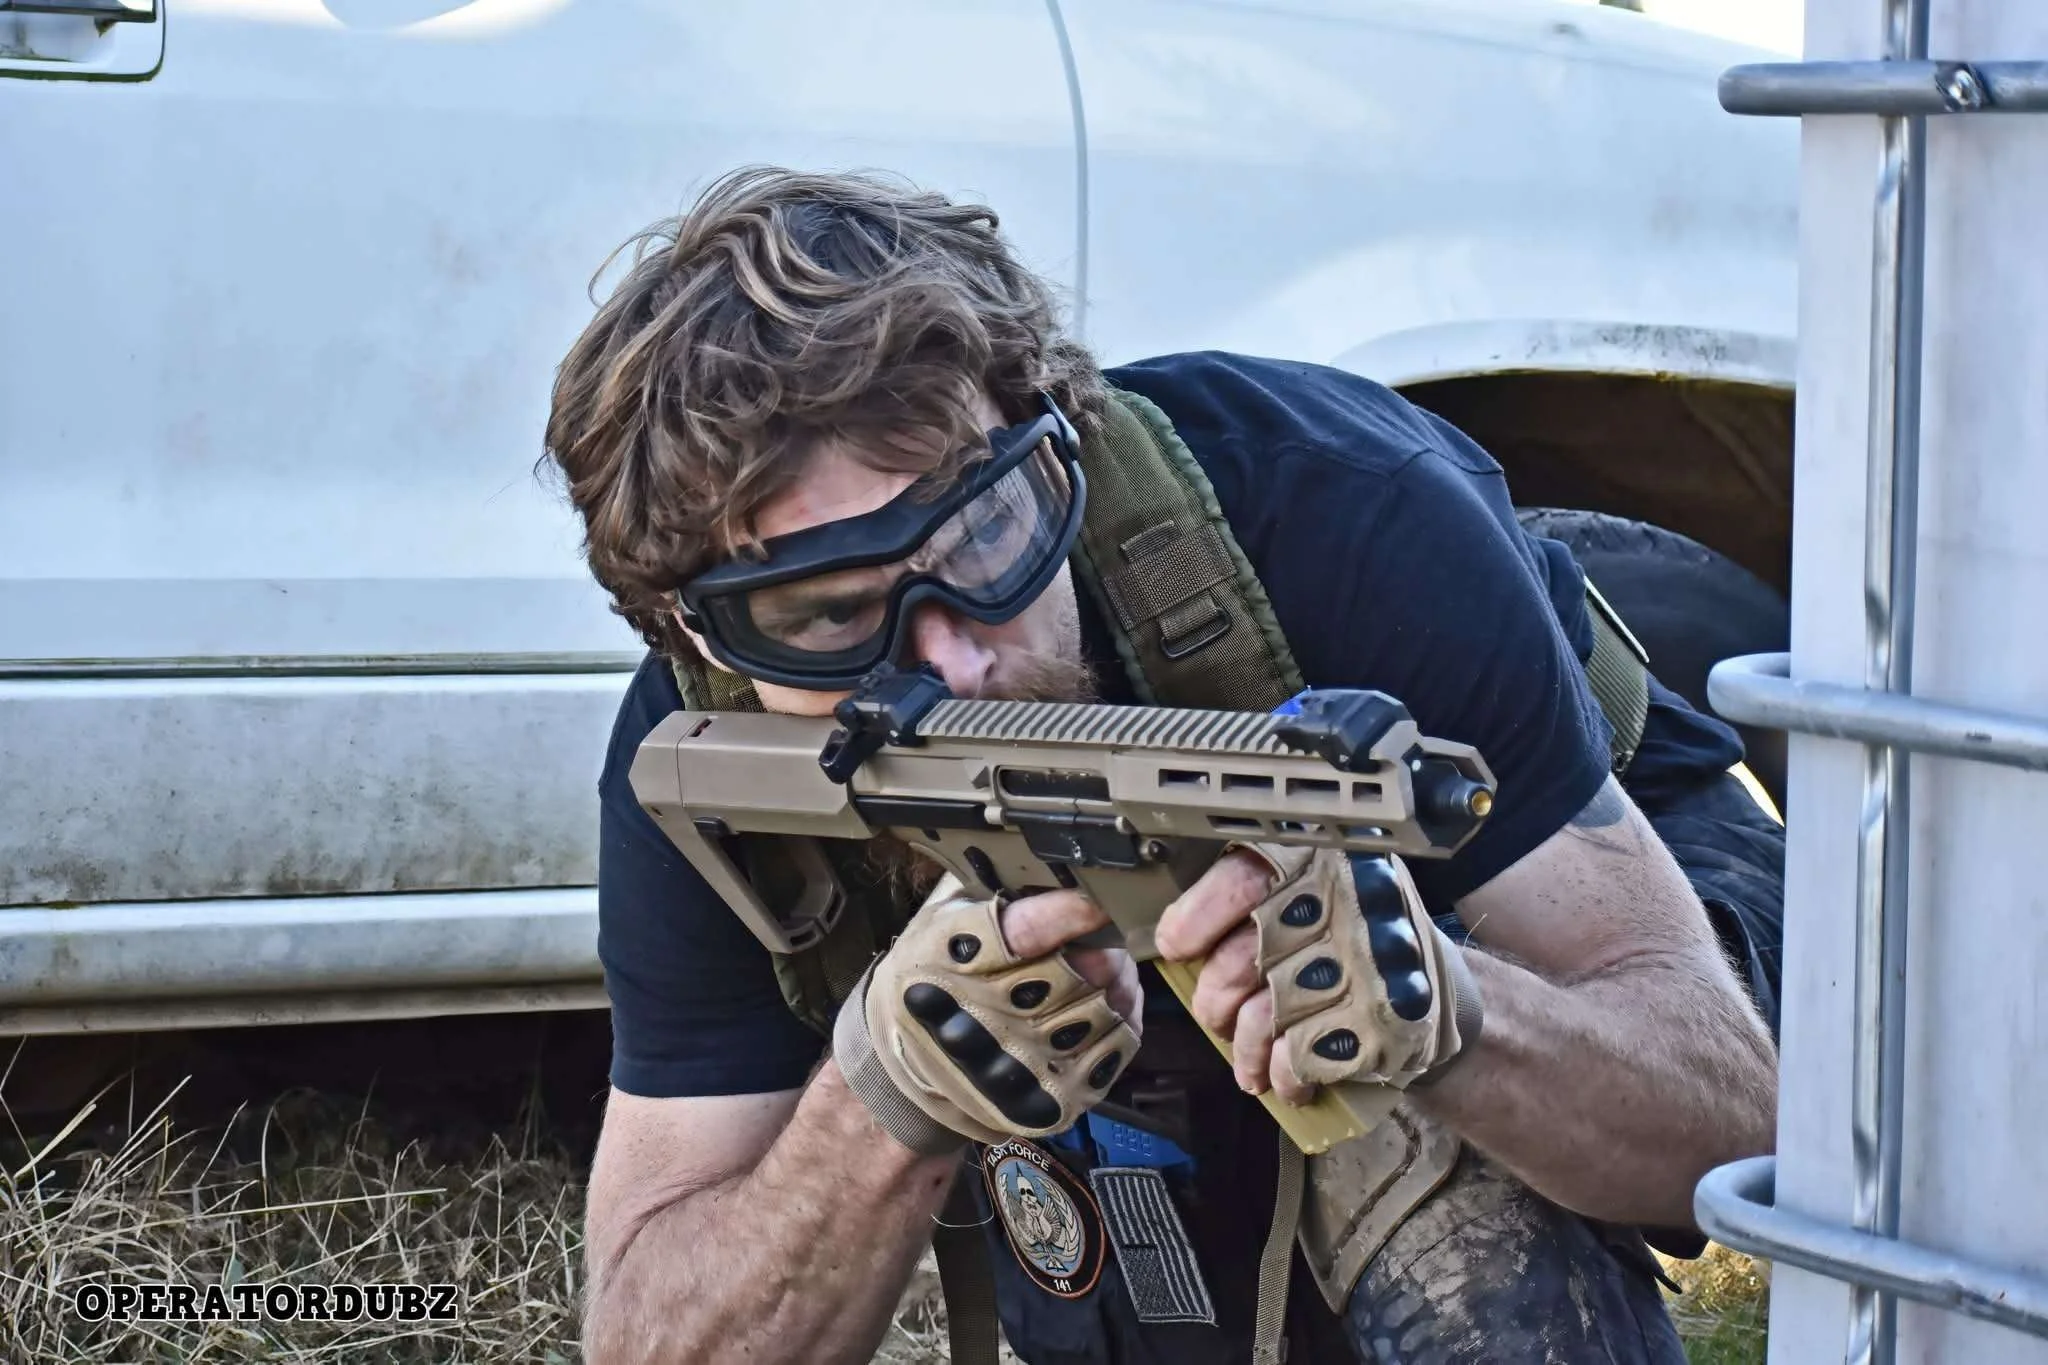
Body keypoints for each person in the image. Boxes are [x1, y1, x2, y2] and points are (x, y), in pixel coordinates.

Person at [541, 165, 1787, 1365]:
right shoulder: (709, 757)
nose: (954, 665)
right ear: (695, 631)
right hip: (1169, 1022)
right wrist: (893, 1087)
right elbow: (653, 1333)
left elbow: (1736, 1120)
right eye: (822, 618)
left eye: (984, 537)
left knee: (1432, 1162)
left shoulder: (1352, 518)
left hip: (1584, 861)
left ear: (1058, 443)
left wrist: (1455, 1017)